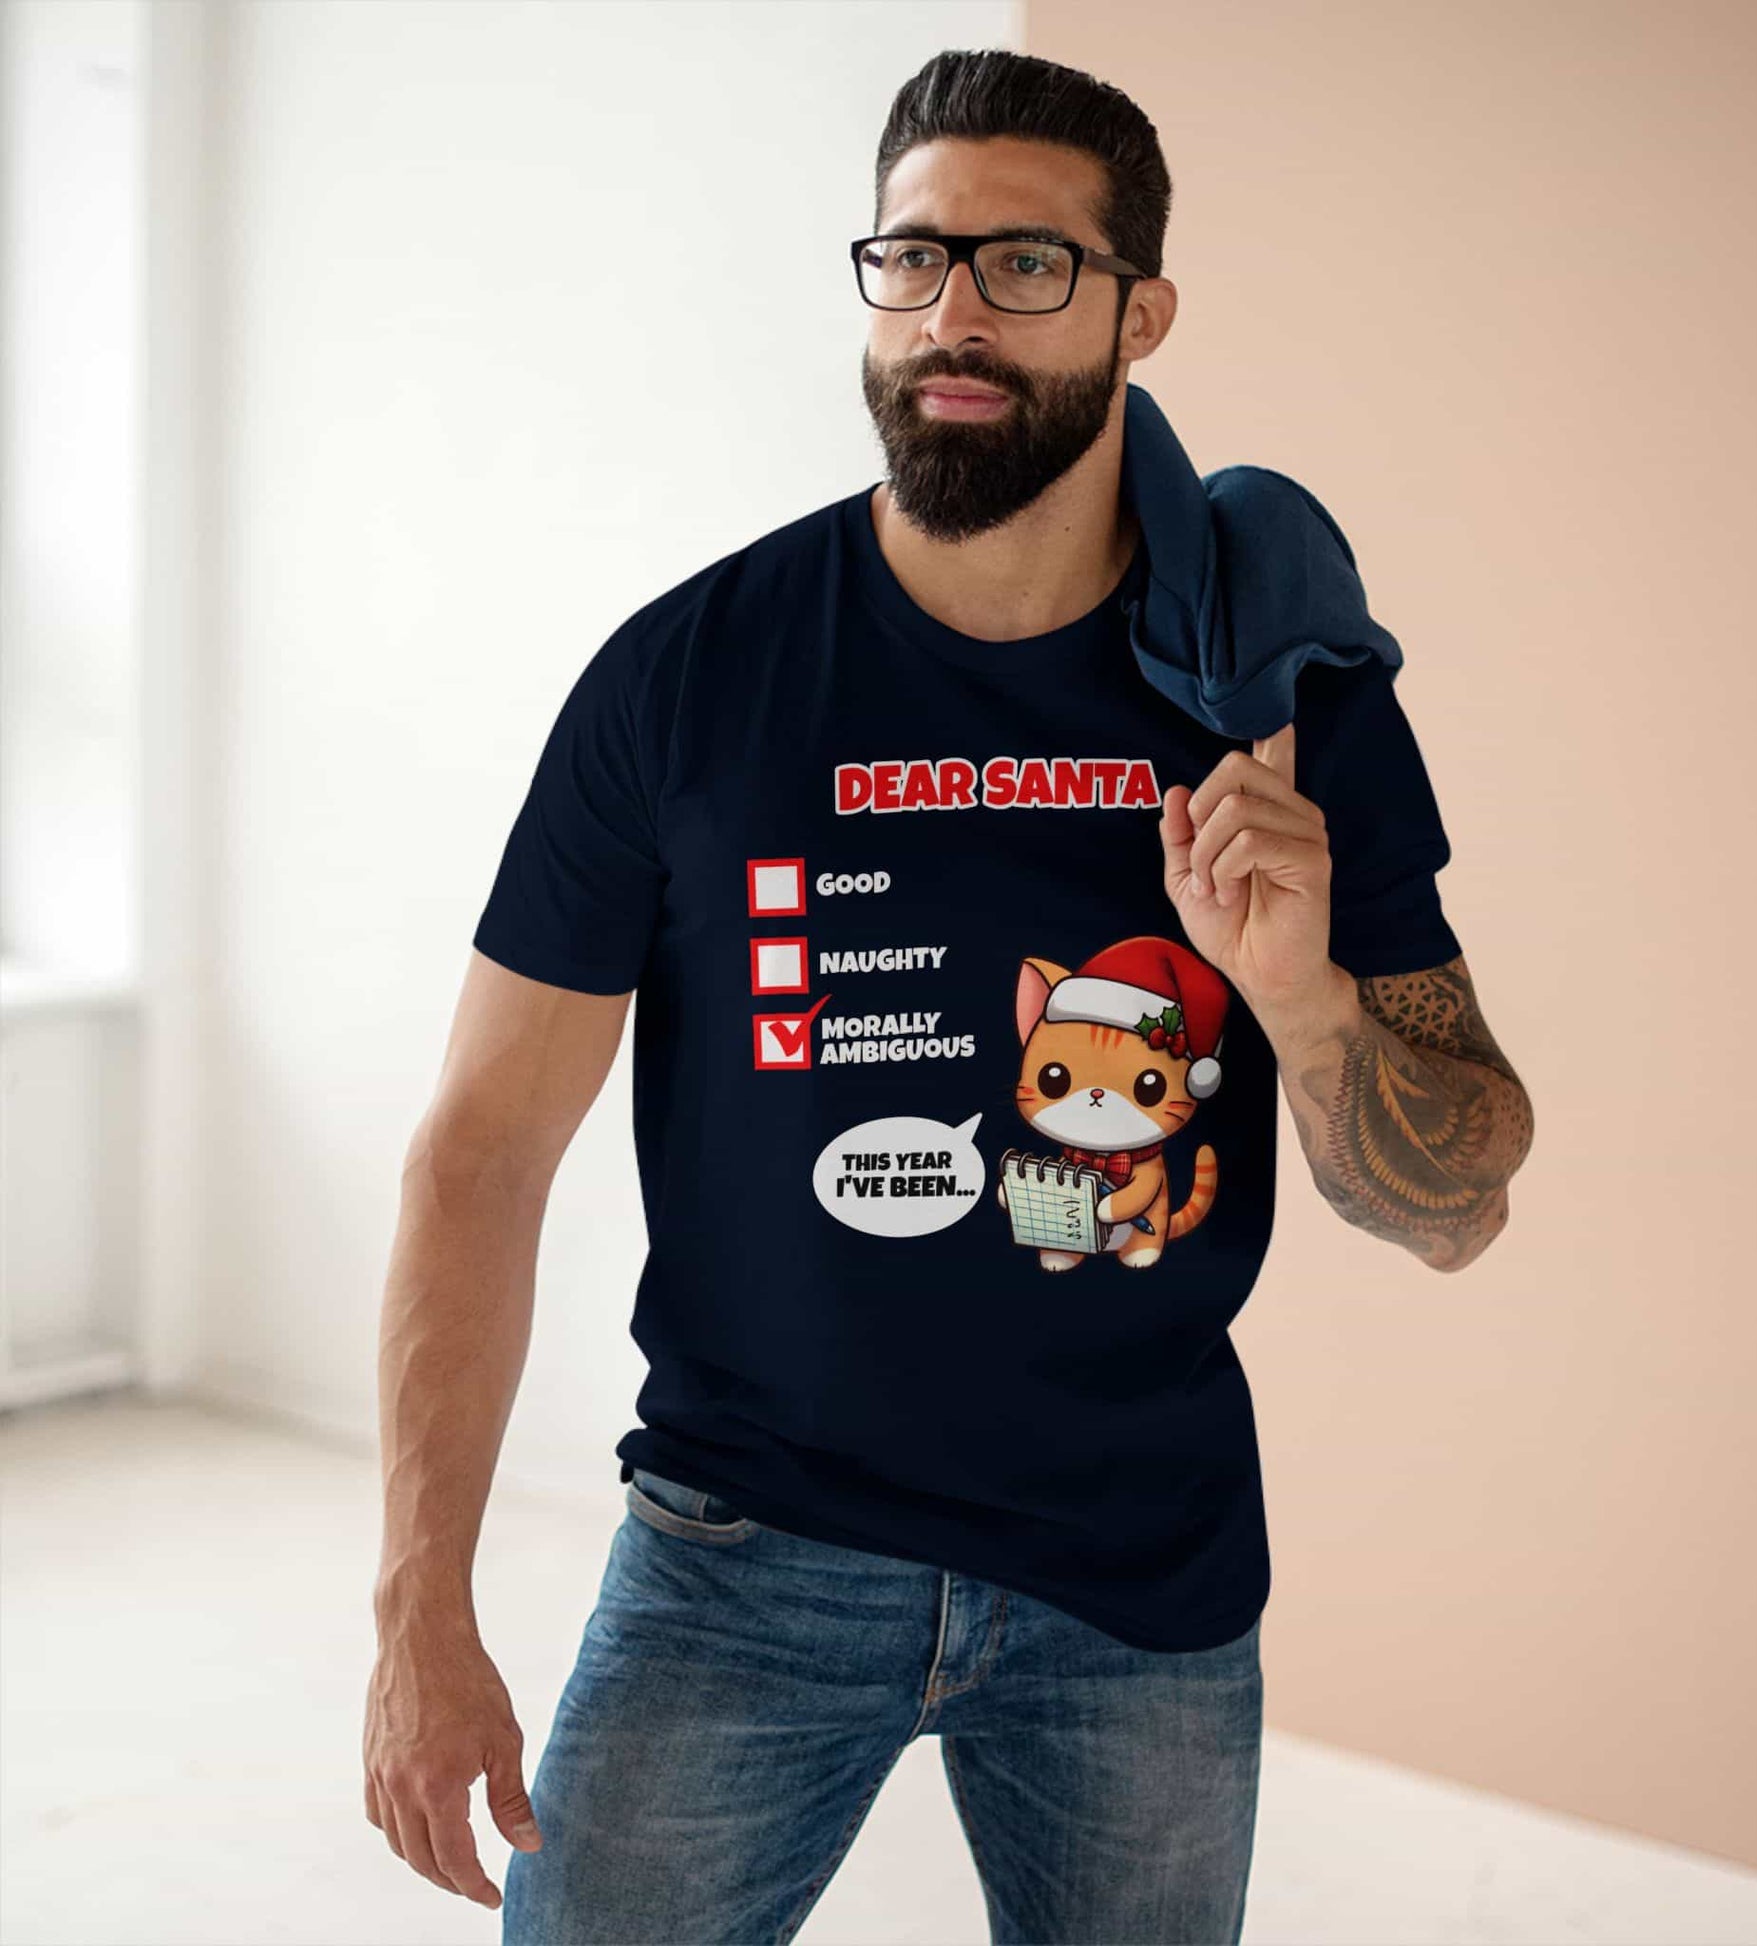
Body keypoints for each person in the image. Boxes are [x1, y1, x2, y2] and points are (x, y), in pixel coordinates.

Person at [362, 46, 1534, 1946]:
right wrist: (419, 1611)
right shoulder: (691, 676)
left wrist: (1299, 995)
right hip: (742, 1554)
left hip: (1135, 1582)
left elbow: (1457, 1203)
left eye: (1025, 264)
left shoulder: (1275, 701)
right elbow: (480, 1152)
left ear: (1141, 313)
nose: (951, 314)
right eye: (910, 258)